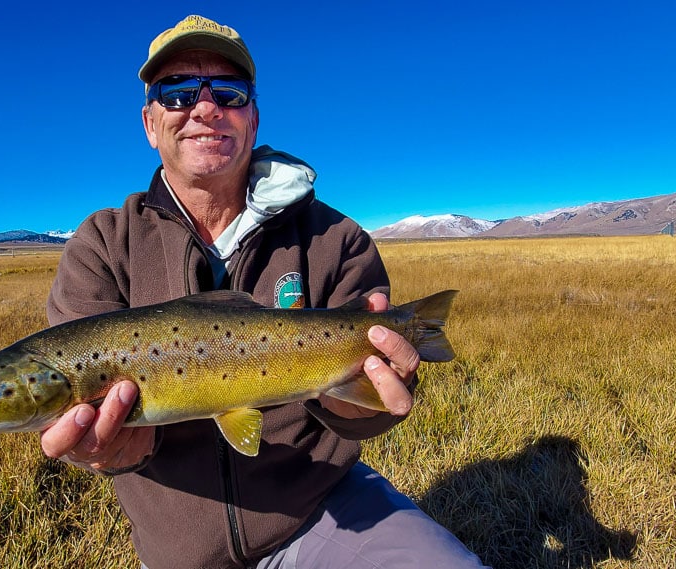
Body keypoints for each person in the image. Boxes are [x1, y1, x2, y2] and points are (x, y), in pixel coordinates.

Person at [40, 15, 487, 569]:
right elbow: (82, 427)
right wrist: (117, 451)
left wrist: (377, 395)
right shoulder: (102, 245)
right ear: (149, 122)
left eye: (228, 93)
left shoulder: (337, 240)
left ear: (252, 117)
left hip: (323, 508)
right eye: (177, 94)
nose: (204, 109)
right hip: (181, 547)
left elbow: (366, 413)